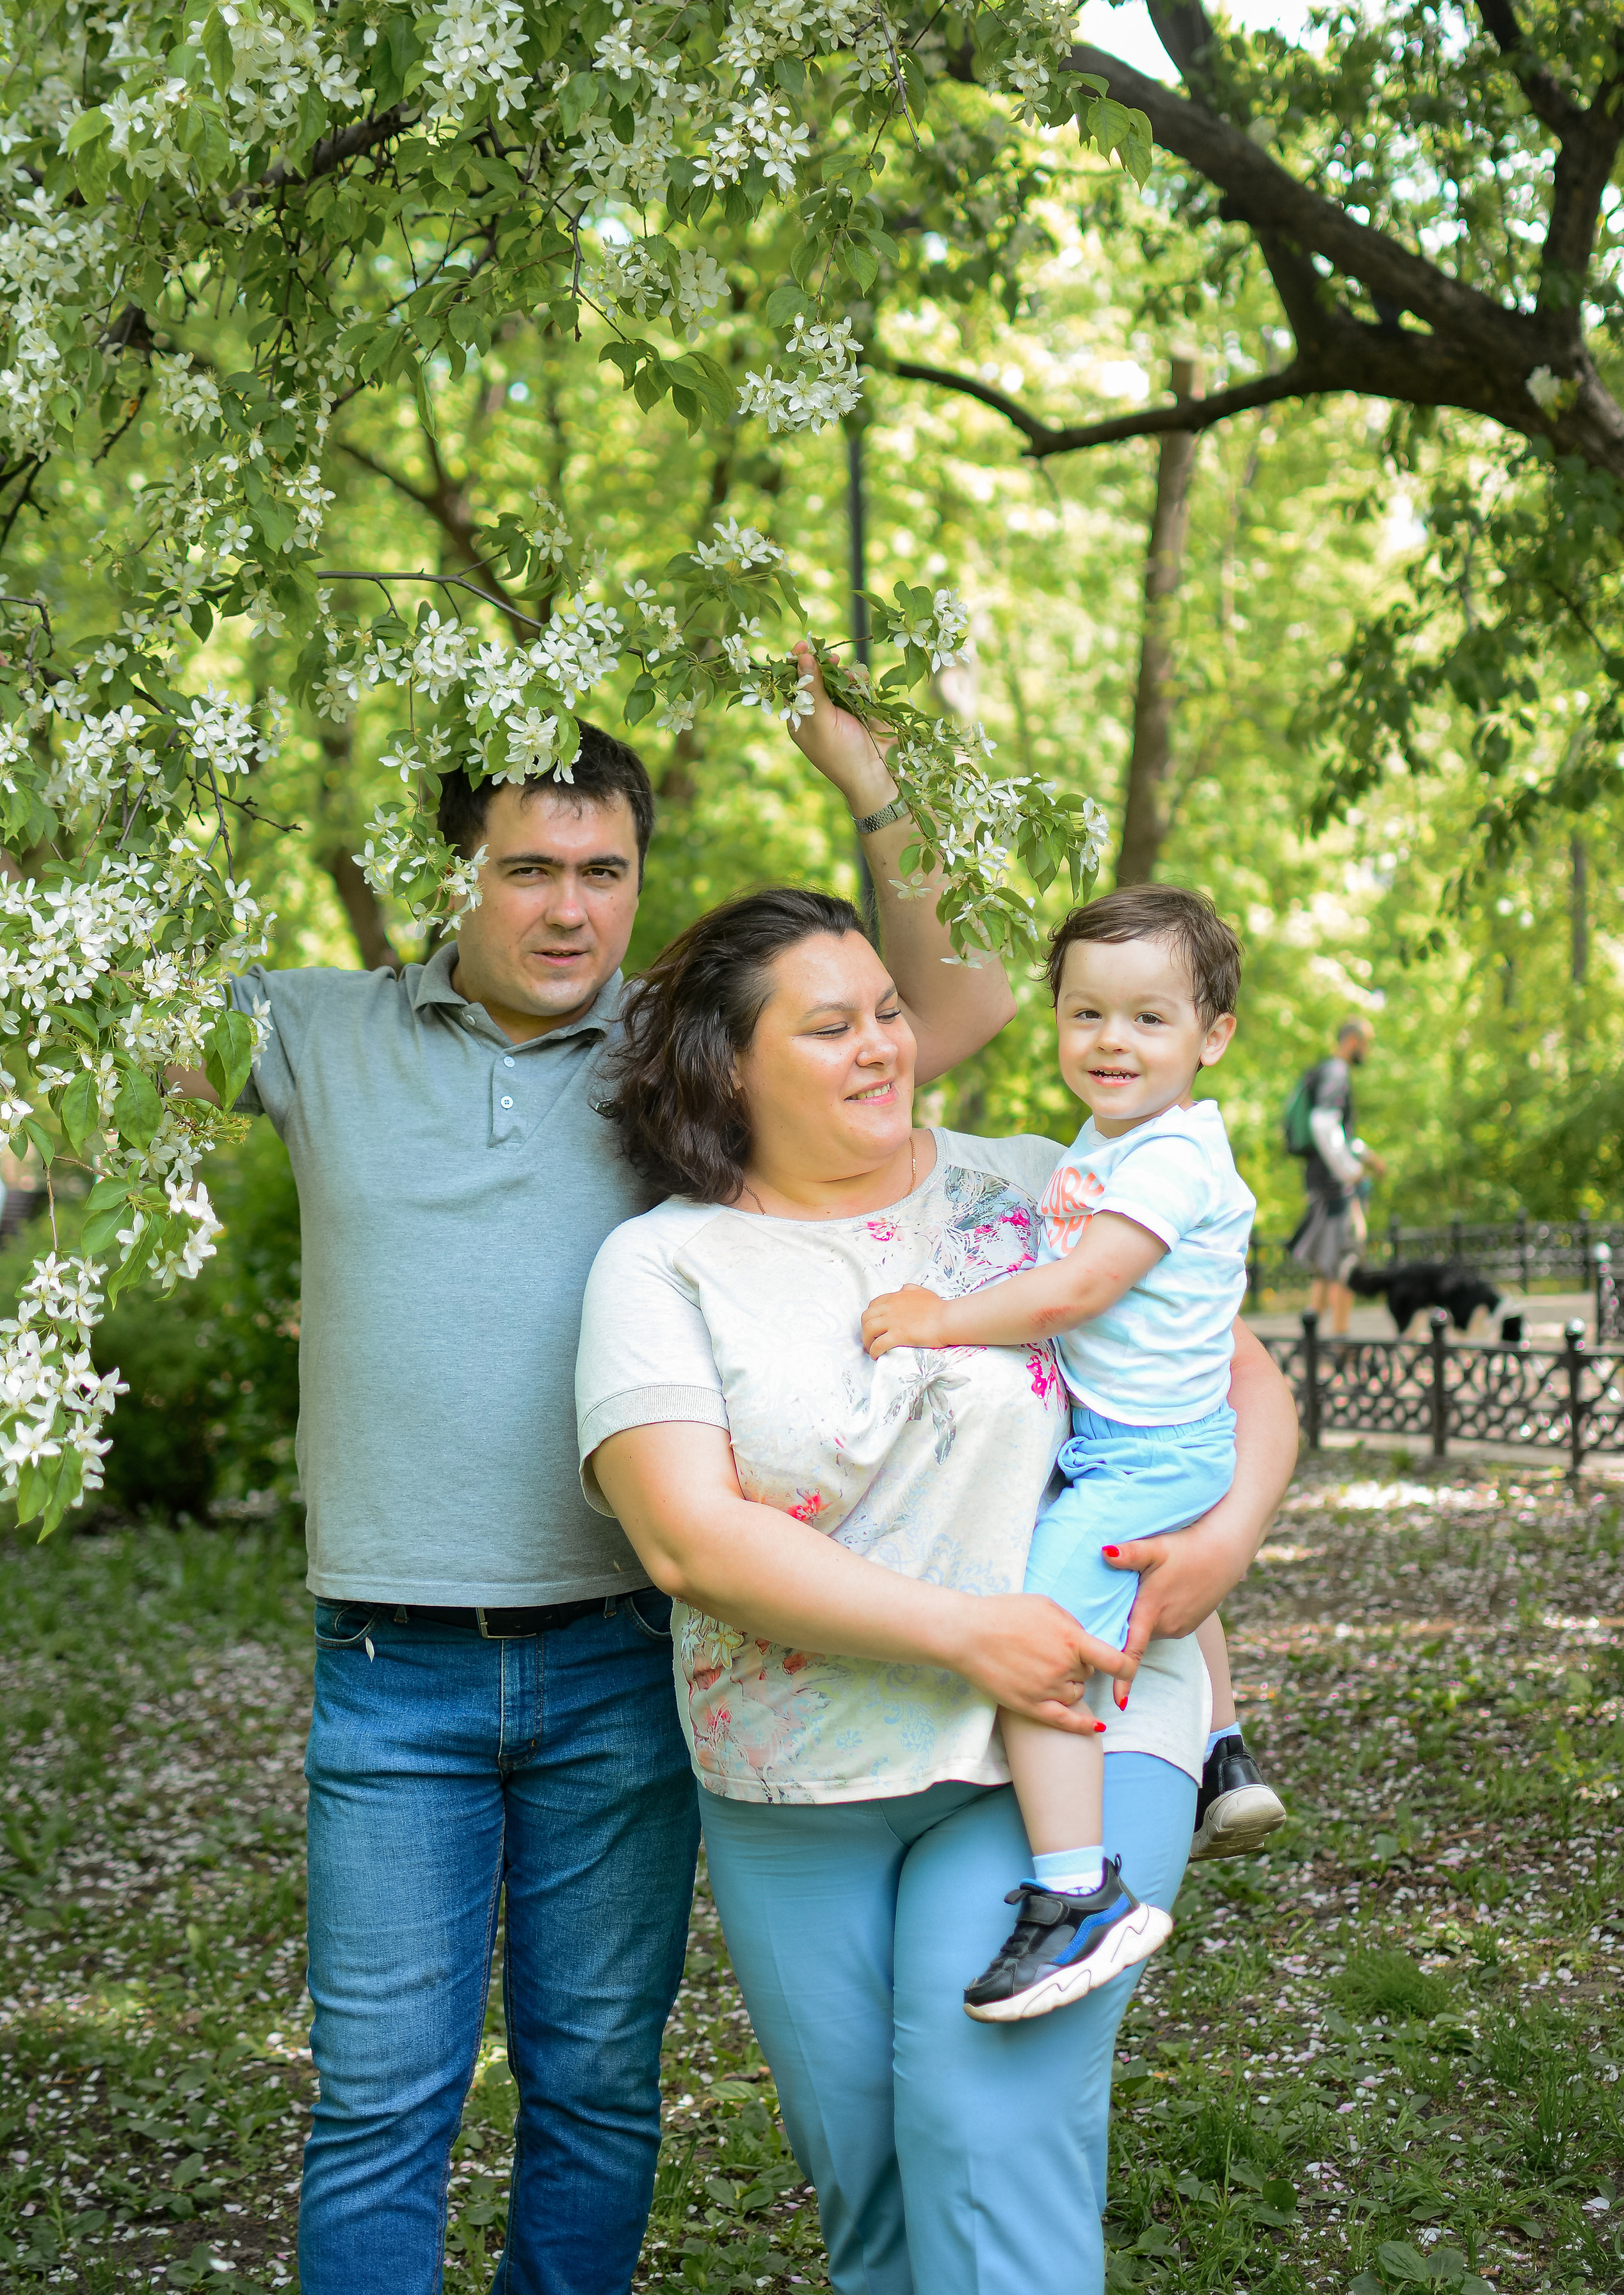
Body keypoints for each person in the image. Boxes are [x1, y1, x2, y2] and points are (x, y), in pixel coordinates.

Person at [166, 656, 1018, 2295]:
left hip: (621, 1662)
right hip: (386, 1673)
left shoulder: (673, 1053)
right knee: (378, 2108)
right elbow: (79, 1028)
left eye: (604, 870)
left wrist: (871, 775)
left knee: (596, 2097)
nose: (571, 909)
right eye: (529, 867)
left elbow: (961, 1006)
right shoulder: (317, 1030)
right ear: (456, 872)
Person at [577, 887, 1300, 2295]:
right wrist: (962, 1631)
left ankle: (1075, 1889)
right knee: (875, 2186)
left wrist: (1226, 1542)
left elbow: (1237, 1372)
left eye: (889, 1014)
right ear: (732, 1062)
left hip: (1065, 1728)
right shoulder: (659, 1263)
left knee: (982, 2128)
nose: (879, 1049)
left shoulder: (1042, 1183)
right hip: (799, 1770)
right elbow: (685, 1540)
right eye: (831, 1025)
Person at [861, 886, 1284, 2021]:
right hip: (1139, 1435)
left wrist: (939, 1316)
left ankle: (1076, 1892)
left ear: (1214, 1037)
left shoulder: (1172, 1161)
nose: (1112, 1041)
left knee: (1040, 1646)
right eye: (1086, 1014)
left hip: (1149, 1447)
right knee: (1152, 1574)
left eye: (1150, 1020)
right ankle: (1222, 1744)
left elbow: (1086, 1285)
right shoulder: (1116, 1141)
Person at [1287, 1017, 1385, 1334]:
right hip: (1335, 1189)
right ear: (1354, 1041)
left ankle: (1312, 1339)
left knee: (1326, 1268)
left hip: (1320, 1182)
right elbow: (1324, 1123)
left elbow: (1339, 1132)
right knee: (1347, 1264)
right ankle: (1341, 1342)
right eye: (1366, 1043)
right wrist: (1352, 1172)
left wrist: (1367, 1158)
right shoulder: (1337, 1072)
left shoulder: (1325, 1072)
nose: (1367, 1051)